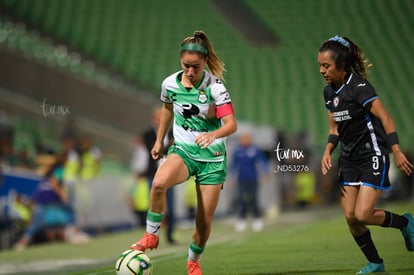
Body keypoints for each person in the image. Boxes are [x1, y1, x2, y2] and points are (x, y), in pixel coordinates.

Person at [130, 30, 237, 275]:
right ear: (180, 61)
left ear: (205, 62)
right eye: (187, 66)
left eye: (196, 67)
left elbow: (232, 124)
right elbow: (167, 109)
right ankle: (151, 236)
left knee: (204, 221)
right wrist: (159, 141)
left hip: (212, 159)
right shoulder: (169, 84)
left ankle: (193, 262)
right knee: (158, 183)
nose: (191, 72)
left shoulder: (216, 87)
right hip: (184, 150)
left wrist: (213, 134)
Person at [319, 35, 414, 274]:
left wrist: (397, 151)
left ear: (341, 65)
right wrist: (328, 151)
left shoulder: (359, 88)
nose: (322, 70)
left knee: (363, 214)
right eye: (320, 65)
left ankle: (405, 222)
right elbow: (334, 129)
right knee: (351, 217)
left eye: (326, 66)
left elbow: (386, 118)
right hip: (348, 159)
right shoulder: (329, 93)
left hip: (372, 154)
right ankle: (376, 263)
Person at [142, 107, 176, 244]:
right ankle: (151, 235)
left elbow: (176, 147)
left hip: (170, 173)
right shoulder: (148, 134)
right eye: (158, 117)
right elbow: (153, 150)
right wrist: (167, 146)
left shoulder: (174, 131)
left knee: (171, 206)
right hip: (153, 174)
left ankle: (170, 234)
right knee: (153, 205)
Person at [229, 133, 269, 232]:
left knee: (254, 198)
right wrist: (230, 176)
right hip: (241, 179)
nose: (245, 140)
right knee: (242, 199)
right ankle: (242, 220)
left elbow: (262, 161)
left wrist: (265, 173)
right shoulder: (237, 151)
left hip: (253, 178)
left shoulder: (255, 150)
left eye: (247, 138)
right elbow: (233, 165)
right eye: (243, 139)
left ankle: (257, 219)